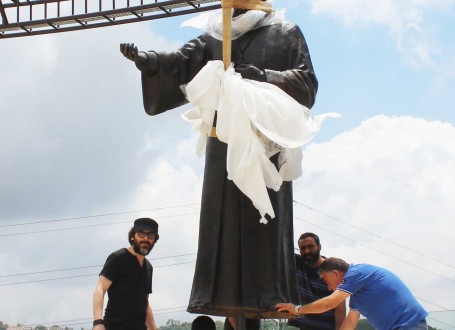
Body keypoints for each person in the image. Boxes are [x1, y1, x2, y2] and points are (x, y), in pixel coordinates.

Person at [120, 1, 317, 318]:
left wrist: (264, 76)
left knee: (263, 217)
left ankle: (269, 294)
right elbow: (181, 63)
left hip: (264, 139)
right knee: (218, 216)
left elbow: (306, 81)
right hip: (222, 137)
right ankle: (215, 292)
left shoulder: (286, 32)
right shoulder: (216, 35)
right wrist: (149, 61)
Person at [276, 257, 428, 330]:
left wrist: (297, 309)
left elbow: (329, 303)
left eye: (327, 281)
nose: (329, 288)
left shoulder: (357, 272)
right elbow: (349, 324)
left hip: (409, 325)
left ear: (336, 274)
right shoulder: (357, 296)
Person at [92, 218, 159, 330]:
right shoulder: (118, 258)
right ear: (133, 236)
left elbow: (144, 302)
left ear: (154, 240)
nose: (146, 239)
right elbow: (100, 289)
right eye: (141, 234)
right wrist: (98, 322)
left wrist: (153, 328)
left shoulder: (148, 267)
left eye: (151, 236)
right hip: (115, 325)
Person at [288, 233, 345, 330]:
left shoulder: (331, 270)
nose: (307, 251)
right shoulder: (297, 263)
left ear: (319, 247)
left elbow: (340, 306)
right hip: (305, 326)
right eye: (303, 248)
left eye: (311, 247)